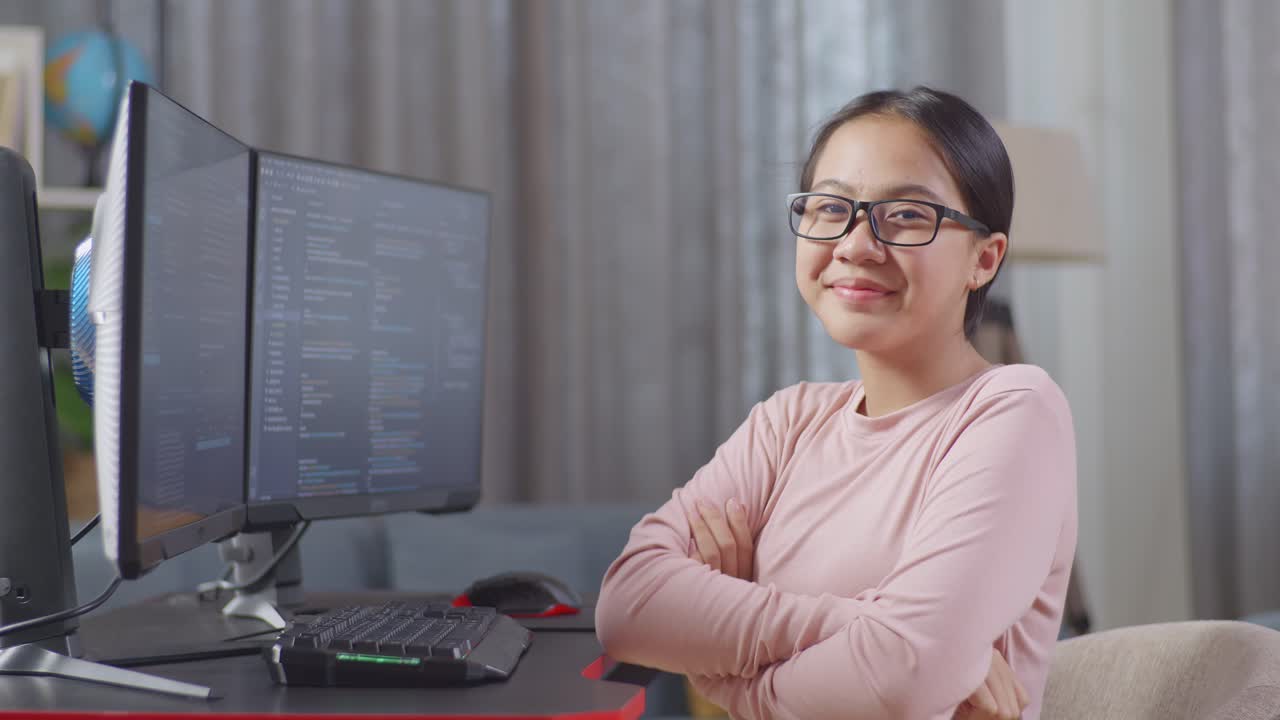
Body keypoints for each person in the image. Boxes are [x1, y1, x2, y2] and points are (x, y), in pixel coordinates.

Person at [595, 86, 1078, 720]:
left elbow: (903, 675)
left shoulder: (1015, 410)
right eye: (830, 208)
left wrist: (725, 679)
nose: (854, 244)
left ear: (984, 259)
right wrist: (863, 623)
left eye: (906, 214)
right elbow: (627, 608)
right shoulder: (787, 422)